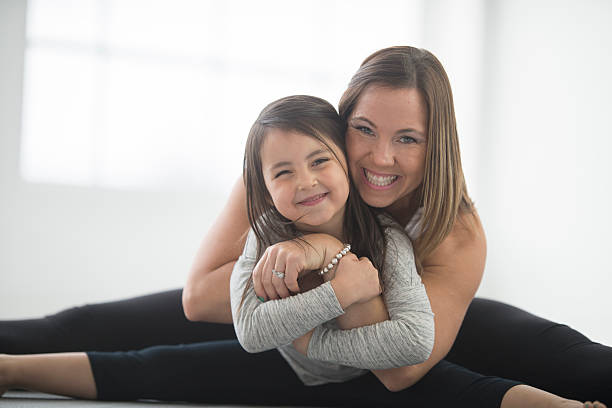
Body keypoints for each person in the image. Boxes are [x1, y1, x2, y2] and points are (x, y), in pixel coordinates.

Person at [1, 46, 609, 407]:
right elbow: (201, 297)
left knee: (561, 357)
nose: (379, 158)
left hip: (417, 321)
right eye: (364, 130)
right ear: (340, 121)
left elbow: (404, 364)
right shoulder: (294, 167)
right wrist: (320, 258)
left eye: (408, 140)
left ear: (437, 147)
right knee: (91, 327)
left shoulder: (455, 229)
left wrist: (329, 262)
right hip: (282, 308)